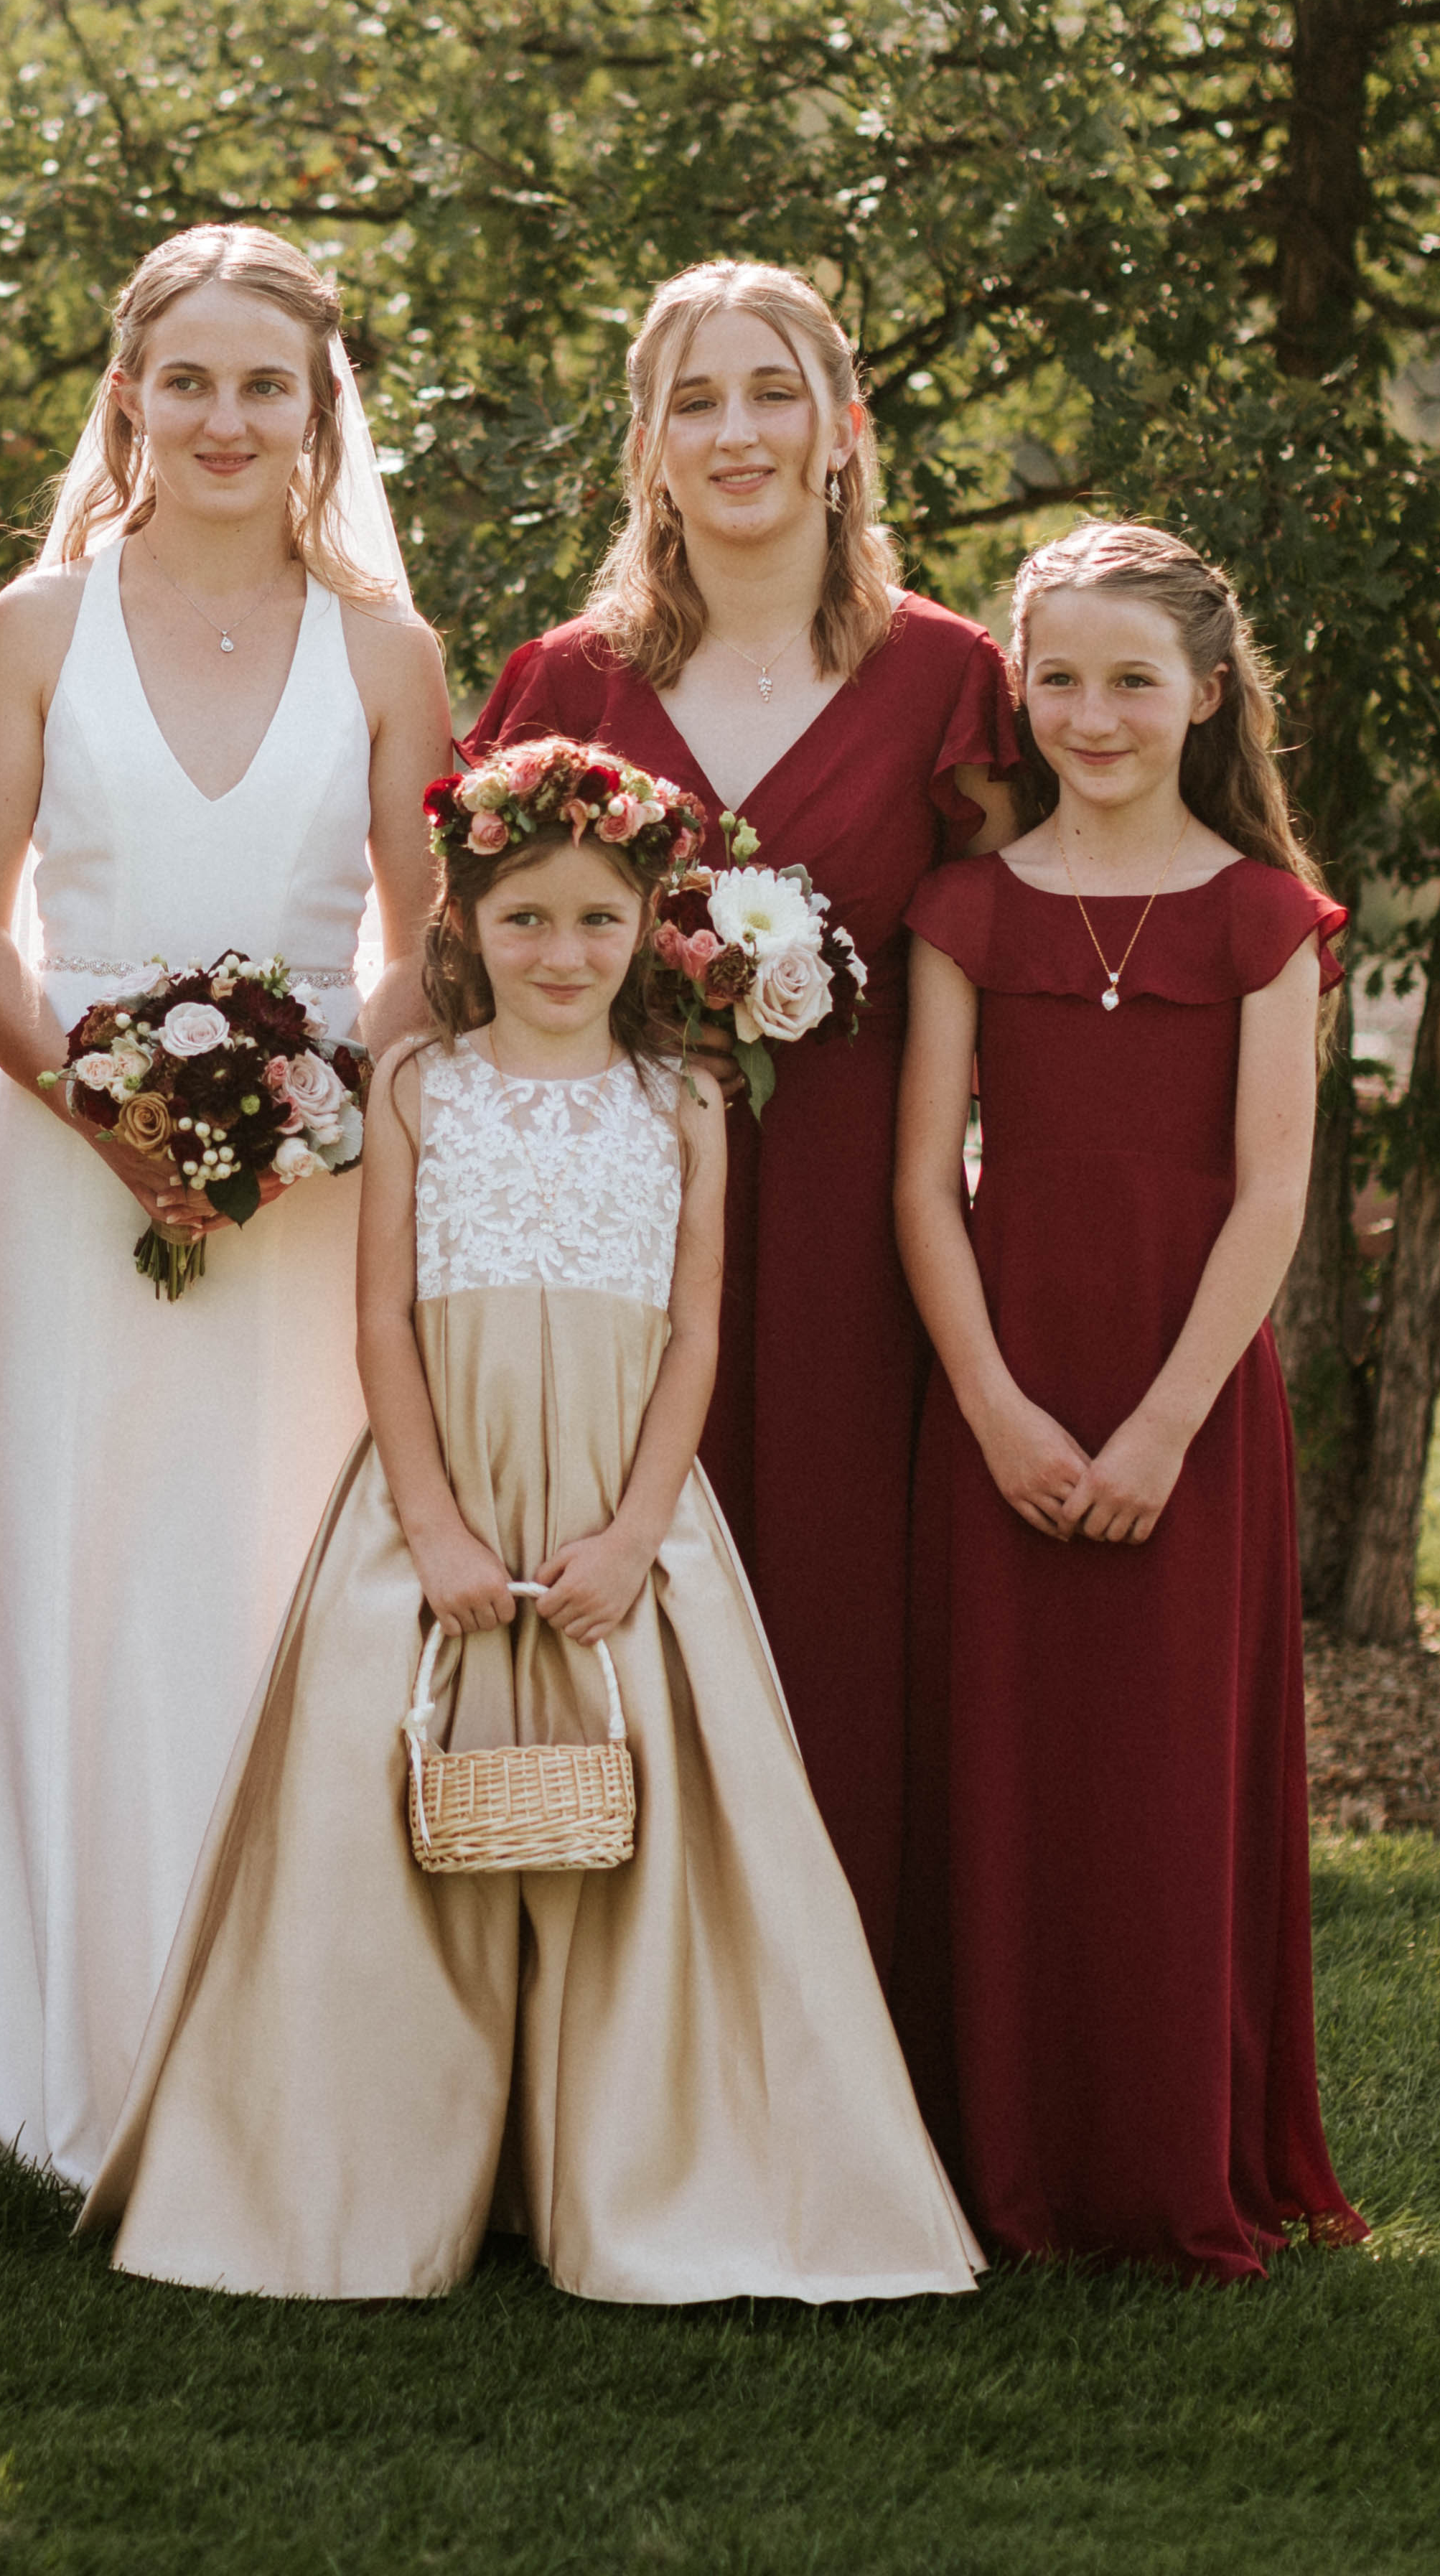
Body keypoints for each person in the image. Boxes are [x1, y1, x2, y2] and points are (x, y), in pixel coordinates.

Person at [84, 739, 978, 2303]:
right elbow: (382, 1319)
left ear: (648, 927)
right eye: (526, 921)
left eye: (598, 921)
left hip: (619, 1510)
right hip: (443, 1495)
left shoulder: (683, 1096)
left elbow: (696, 1332)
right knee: (390, 1836)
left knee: (637, 1855)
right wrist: (431, 1526)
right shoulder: (419, 1087)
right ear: (466, 923)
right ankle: (368, 2187)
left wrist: (635, 1536)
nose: (563, 953)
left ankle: (642, 2182)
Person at [0, 225, 450, 2187]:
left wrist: (301, 1114)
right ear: (129, 393)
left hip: (307, 1195)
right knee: (76, 1551)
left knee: (269, 1556)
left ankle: (276, 2027)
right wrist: (114, 1122)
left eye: (266, 385)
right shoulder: (38, 627)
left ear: (319, 411)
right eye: (192, 379)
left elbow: (426, 943)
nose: (227, 419)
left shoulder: (386, 653)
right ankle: (56, 2036)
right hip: (75, 1173)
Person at [459, 261, 1018, 1961]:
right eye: (693, 400)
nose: (737, 432)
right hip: (607, 1239)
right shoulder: (568, 682)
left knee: (839, 1615)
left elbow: (1015, 952)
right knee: (612, 1600)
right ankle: (610, 2033)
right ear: (647, 443)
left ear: (844, 427)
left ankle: (844, 2030)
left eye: (773, 392)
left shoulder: (950, 679)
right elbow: (463, 966)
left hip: (860, 1221)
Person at [891, 520, 1364, 2277]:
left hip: (1190, 1400)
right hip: (1001, 1388)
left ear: (1208, 695)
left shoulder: (1264, 919)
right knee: (1001, 1779)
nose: (1093, 715)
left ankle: (1168, 2165)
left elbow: (1272, 1194)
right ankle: (993, 2163)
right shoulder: (964, 908)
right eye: (1059, 679)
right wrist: (993, 1405)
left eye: (1132, 681)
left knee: (1167, 1784)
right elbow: (923, 1181)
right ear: (1020, 691)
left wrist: (1164, 1423)